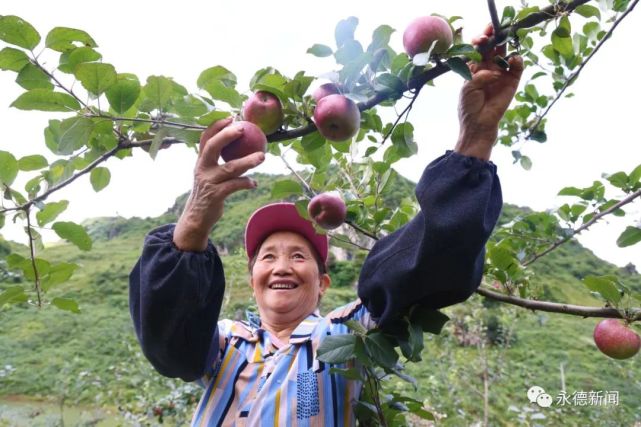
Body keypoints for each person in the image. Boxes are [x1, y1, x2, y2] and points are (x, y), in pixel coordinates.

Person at [129, 31, 524, 426]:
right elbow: (170, 342)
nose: (282, 266)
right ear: (253, 281)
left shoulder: (348, 336)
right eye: (268, 257)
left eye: (298, 256)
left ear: (323, 284)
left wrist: (476, 136)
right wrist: (196, 216)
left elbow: (425, 265)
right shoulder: (222, 343)